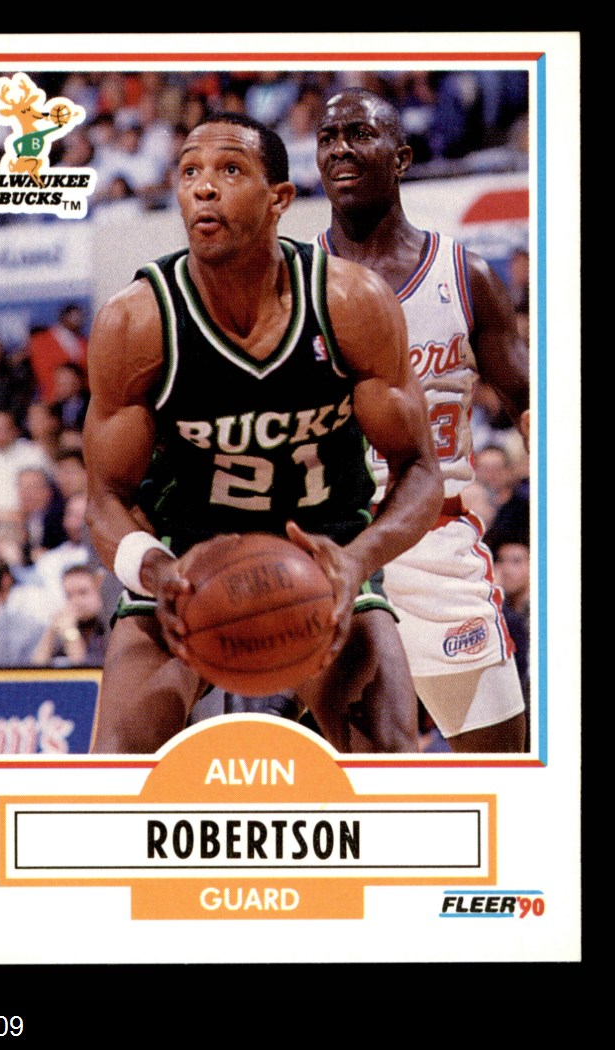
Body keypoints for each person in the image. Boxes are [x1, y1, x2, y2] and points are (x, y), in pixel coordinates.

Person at [84, 112, 442, 755]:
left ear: (279, 198)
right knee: (117, 767)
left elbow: (420, 470)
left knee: (391, 759)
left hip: (326, 552)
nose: (203, 187)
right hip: (188, 556)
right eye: (189, 172)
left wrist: (357, 560)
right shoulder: (136, 322)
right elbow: (104, 498)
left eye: (230, 170)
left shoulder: (351, 302)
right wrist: (159, 572)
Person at [315, 88, 529, 752]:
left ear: (402, 157)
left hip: (437, 546)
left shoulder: (465, 274)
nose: (340, 149)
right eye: (327, 138)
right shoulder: (292, 283)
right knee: (361, 782)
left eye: (359, 134)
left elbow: (529, 403)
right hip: (334, 550)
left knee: (498, 768)